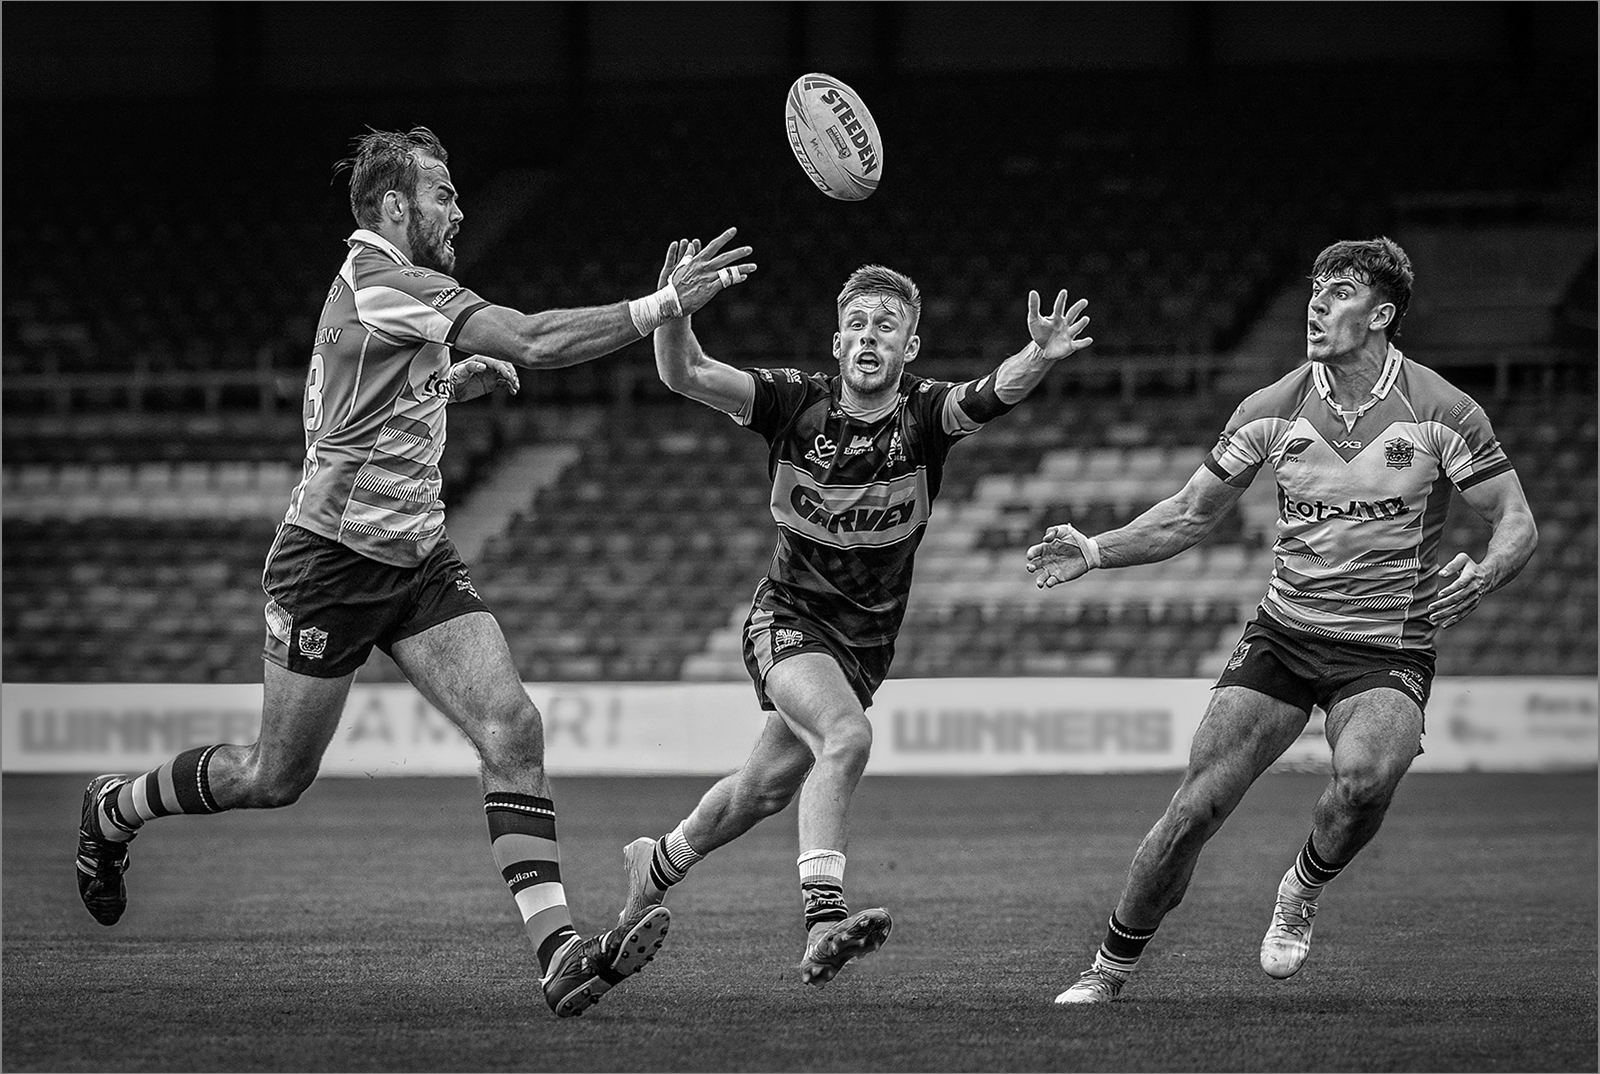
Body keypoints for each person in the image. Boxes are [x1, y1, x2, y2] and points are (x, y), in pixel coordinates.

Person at [73, 127, 758, 1019]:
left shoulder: (384, 293)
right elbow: (533, 339)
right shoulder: (387, 279)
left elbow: (362, 395)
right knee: (274, 777)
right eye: (443, 193)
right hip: (329, 565)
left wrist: (448, 383)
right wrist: (663, 304)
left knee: (512, 726)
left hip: (416, 560)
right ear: (394, 206)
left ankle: (559, 955)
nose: (458, 209)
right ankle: (115, 807)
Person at [1025, 237, 1538, 1004]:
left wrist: (1488, 572)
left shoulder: (1442, 410)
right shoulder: (1270, 408)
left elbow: (1516, 521)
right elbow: (1189, 515)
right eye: (1315, 291)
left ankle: (1301, 886)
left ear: (1381, 315)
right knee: (1195, 807)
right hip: (1285, 635)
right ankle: (1106, 971)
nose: (1317, 305)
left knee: (1366, 779)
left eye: (1339, 293)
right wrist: (1096, 550)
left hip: (1386, 646)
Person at [615, 250, 1093, 985]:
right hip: (788, 618)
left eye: (887, 325)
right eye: (857, 324)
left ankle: (656, 864)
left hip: (865, 646)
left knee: (763, 790)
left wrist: (1039, 353)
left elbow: (991, 392)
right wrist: (673, 308)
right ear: (837, 342)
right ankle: (822, 920)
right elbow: (686, 373)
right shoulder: (791, 403)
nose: (870, 335)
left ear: (911, 347)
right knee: (846, 737)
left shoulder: (924, 416)